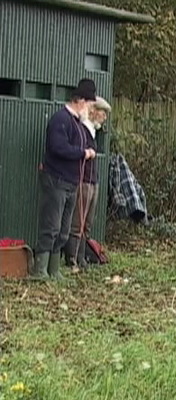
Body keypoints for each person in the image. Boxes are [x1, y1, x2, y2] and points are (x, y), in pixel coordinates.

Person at [32, 78, 97, 280]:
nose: (90, 108)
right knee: (51, 225)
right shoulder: (60, 119)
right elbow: (57, 147)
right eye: (90, 104)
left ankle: (54, 269)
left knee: (64, 229)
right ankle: (40, 269)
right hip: (57, 179)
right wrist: (82, 153)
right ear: (81, 100)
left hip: (71, 183)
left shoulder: (77, 123)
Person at [64, 96, 112, 270]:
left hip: (93, 180)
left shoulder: (93, 131)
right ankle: (72, 259)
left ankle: (82, 257)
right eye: (103, 112)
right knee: (78, 221)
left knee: (88, 222)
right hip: (82, 180)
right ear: (93, 111)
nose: (105, 117)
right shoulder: (82, 130)